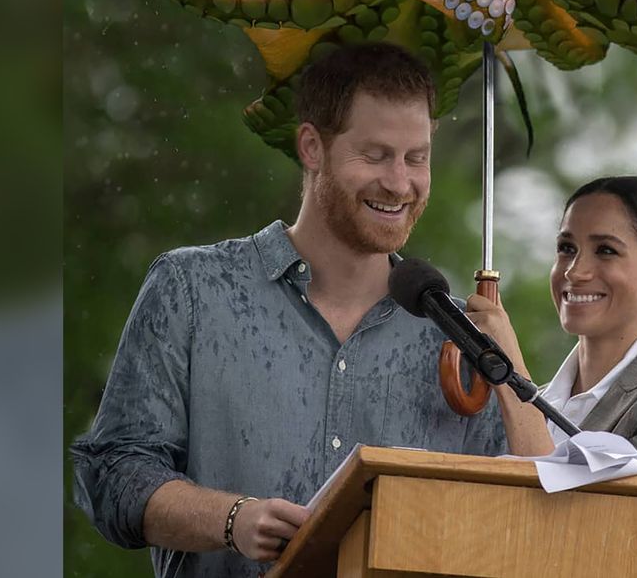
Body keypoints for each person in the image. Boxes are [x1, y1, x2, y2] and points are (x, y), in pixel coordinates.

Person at [70, 42, 505, 578]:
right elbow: (112, 475)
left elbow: (510, 519)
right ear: (311, 148)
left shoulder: (465, 340)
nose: (399, 183)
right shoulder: (192, 288)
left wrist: (514, 371)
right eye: (374, 155)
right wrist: (231, 518)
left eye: (417, 158)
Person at [466, 175, 637, 473]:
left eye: (606, 251)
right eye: (566, 248)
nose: (574, 271)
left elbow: (575, 512)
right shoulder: (528, 403)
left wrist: (509, 374)